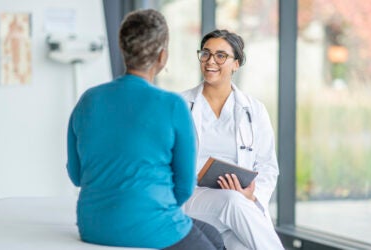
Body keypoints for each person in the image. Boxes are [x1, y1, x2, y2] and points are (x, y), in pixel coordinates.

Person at [66, 9, 225, 250]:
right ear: (162, 56)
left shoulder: (88, 100)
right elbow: (183, 188)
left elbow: (77, 176)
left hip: (93, 227)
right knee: (213, 244)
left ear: (123, 50)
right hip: (152, 229)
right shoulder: (172, 106)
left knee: (212, 235)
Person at [181, 29, 284, 250]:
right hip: (192, 197)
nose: (211, 61)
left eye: (221, 55)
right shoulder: (180, 105)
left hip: (238, 205)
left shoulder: (254, 110)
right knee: (232, 201)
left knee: (242, 243)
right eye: (206, 54)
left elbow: (268, 166)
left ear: (236, 63)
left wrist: (252, 195)